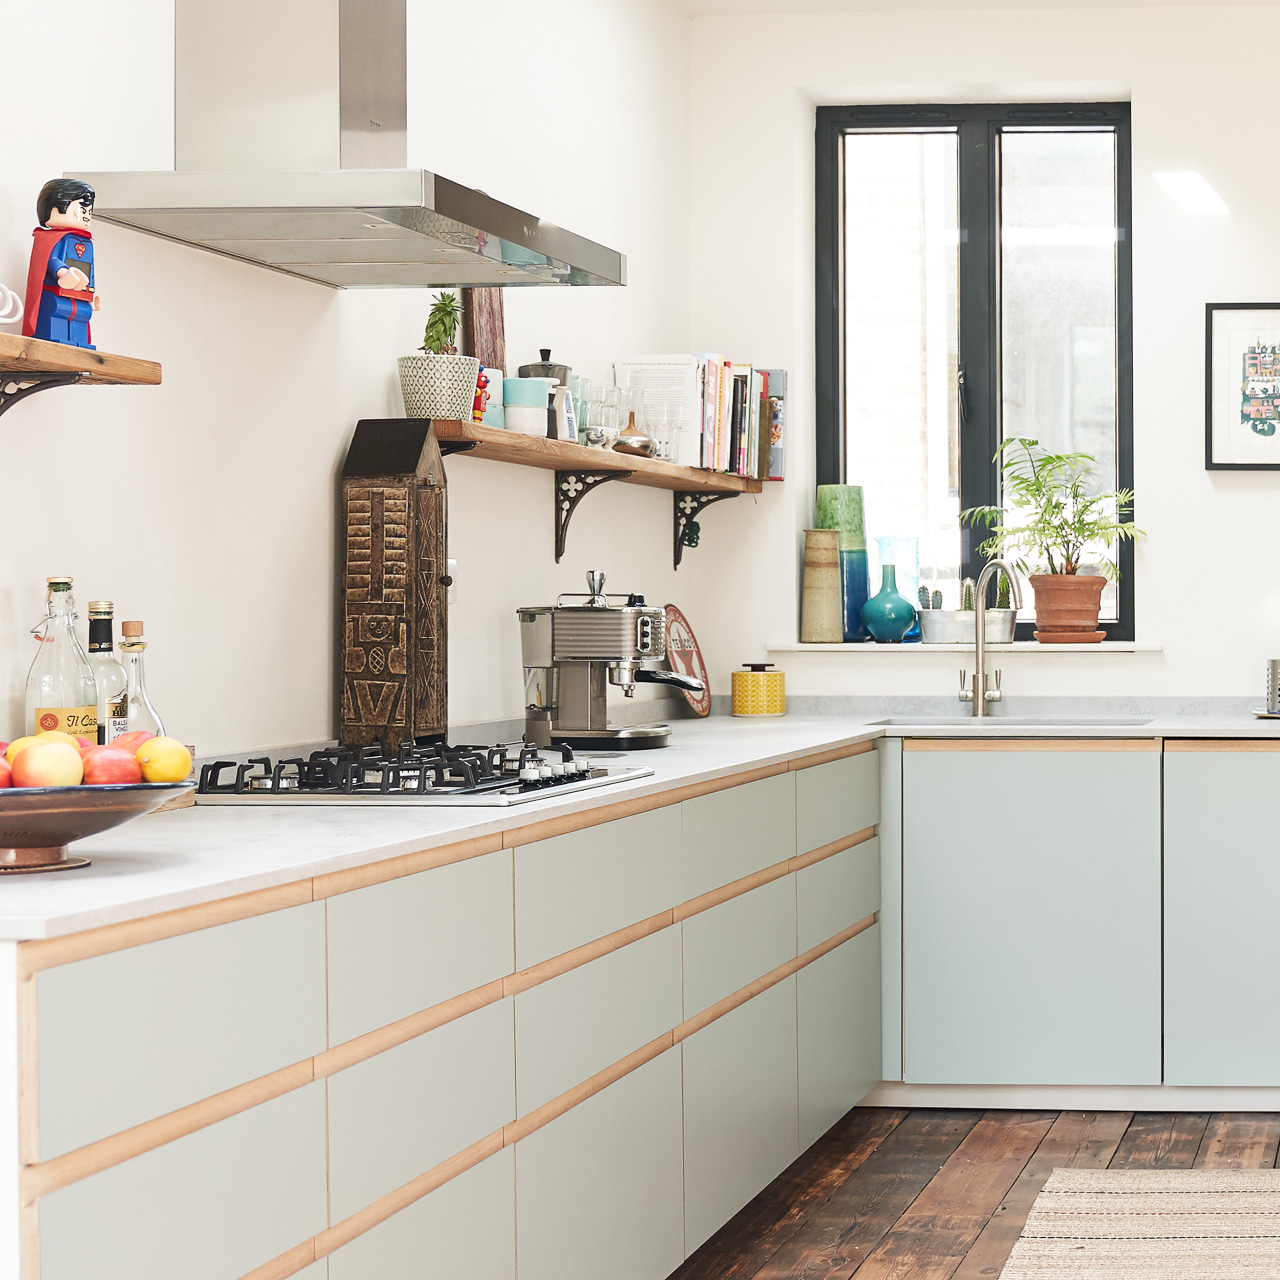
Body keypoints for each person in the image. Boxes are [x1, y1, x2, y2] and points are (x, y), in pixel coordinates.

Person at [23, 179, 99, 349]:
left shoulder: (85, 241)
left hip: (80, 292)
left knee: (82, 313)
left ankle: (80, 342)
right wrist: (62, 272)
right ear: (55, 208)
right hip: (56, 290)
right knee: (57, 310)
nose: (86, 216)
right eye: (81, 210)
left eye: (89, 211)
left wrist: (93, 295)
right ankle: (56, 338)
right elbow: (51, 259)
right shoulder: (50, 239)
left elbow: (90, 269)